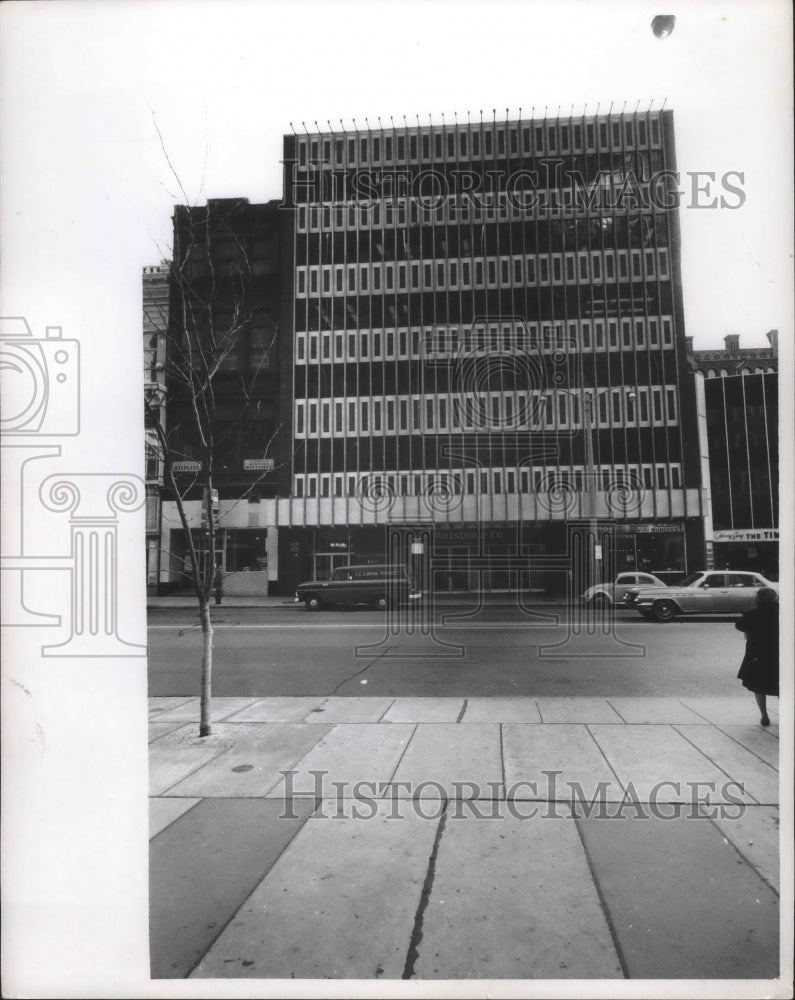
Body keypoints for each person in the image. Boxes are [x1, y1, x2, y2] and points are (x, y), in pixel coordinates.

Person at [735, 587, 779, 726]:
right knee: (781, 684)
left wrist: (749, 631)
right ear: (775, 598)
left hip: (758, 654)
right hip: (778, 653)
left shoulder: (752, 613)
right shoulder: (782, 612)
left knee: (759, 685)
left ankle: (764, 716)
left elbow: (739, 625)